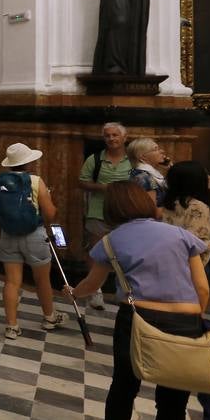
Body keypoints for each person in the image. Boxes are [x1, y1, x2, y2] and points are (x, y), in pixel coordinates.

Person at [66, 182, 210, 420]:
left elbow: (92, 284)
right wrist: (195, 319)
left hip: (137, 318)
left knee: (123, 387)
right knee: (173, 401)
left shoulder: (110, 242)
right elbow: (203, 288)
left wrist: (73, 293)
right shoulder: (180, 234)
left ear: (112, 210)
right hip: (185, 320)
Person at [0, 143, 65, 340]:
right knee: (42, 279)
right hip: (34, 235)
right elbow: (50, 213)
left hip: (7, 235)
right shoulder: (35, 181)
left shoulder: (1, 180)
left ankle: (11, 326)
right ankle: (49, 317)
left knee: (12, 281)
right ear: (29, 162)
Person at [77, 122, 133, 308]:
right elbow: (83, 181)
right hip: (98, 211)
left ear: (124, 138)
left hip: (125, 213)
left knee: (126, 252)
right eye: (107, 135)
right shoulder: (95, 160)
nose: (111, 139)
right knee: (95, 251)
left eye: (115, 135)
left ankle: (124, 291)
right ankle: (95, 292)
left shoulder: (132, 160)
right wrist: (103, 188)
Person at [127, 137, 169, 206]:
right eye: (156, 149)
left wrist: (170, 169)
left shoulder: (149, 173)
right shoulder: (143, 177)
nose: (162, 151)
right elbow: (151, 208)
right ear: (143, 157)